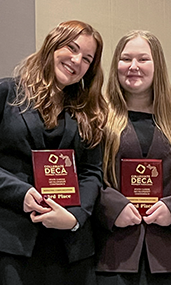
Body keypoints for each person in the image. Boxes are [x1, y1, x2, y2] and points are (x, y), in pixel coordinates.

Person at [0, 20, 107, 285]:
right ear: (52, 45)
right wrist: (20, 193)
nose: (76, 60)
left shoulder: (89, 113)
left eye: (87, 58)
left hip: (71, 249)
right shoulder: (7, 92)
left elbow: (92, 172)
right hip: (11, 242)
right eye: (71, 48)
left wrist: (75, 217)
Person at [94, 30, 171, 285]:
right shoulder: (98, 116)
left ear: (158, 65)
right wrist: (113, 206)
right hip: (114, 253)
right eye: (125, 58)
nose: (133, 67)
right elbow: (89, 175)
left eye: (143, 59)